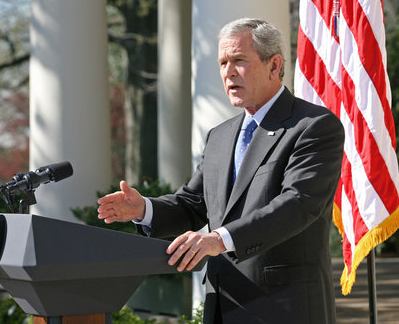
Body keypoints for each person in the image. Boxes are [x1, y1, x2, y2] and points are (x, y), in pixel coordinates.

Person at [97, 18, 344, 324]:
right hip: (222, 304)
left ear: (274, 64)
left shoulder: (313, 127)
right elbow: (194, 203)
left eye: (239, 60)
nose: (228, 72)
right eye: (223, 62)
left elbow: (297, 205)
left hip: (284, 307)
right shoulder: (221, 135)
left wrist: (219, 239)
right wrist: (144, 209)